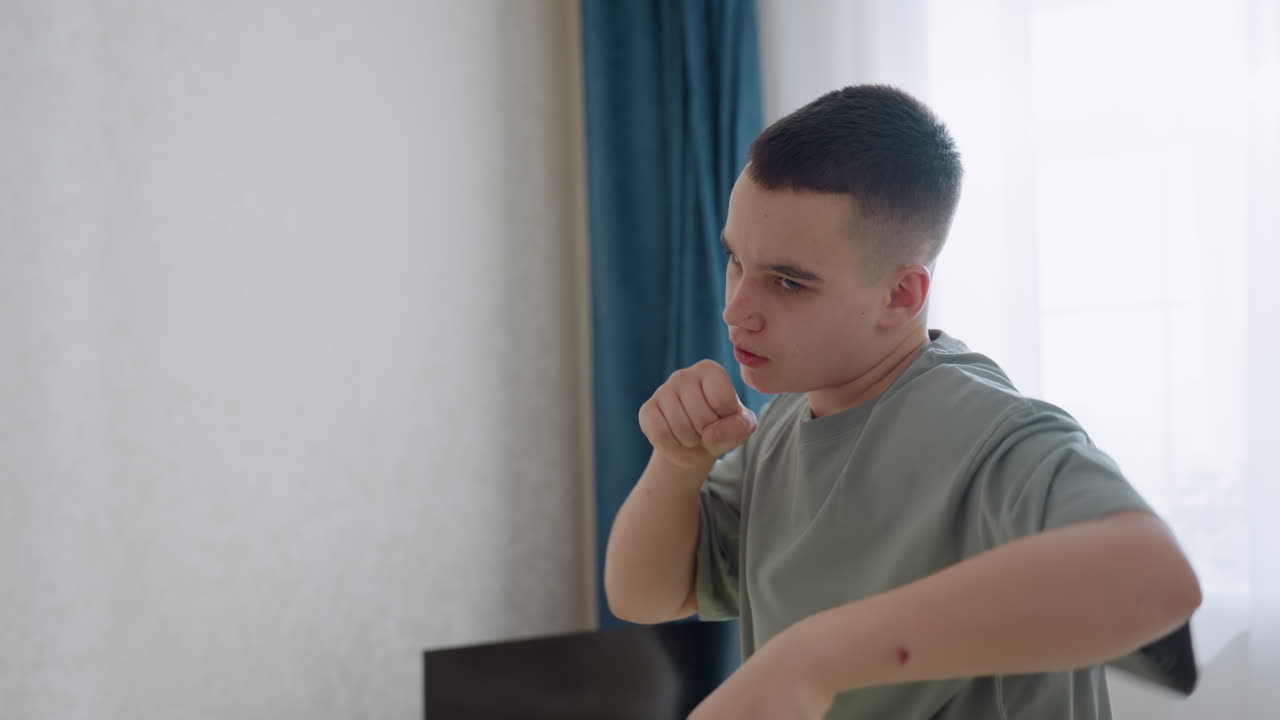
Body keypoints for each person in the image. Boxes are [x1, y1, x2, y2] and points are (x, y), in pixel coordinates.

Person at [602, 85, 1202, 720]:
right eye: (734, 260)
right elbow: (645, 596)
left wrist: (813, 658)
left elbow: (1155, 578)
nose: (735, 310)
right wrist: (676, 462)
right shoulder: (782, 422)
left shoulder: (983, 428)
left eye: (787, 282)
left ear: (901, 296)